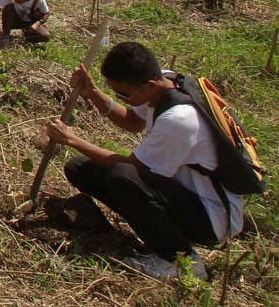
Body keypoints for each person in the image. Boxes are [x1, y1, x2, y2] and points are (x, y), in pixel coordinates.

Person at [46, 41, 247, 280]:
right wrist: (93, 93)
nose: (120, 97)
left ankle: (178, 258)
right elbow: (133, 122)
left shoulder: (178, 119)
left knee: (124, 177)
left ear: (150, 85)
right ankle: (155, 228)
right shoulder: (163, 83)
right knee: (80, 168)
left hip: (210, 217)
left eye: (123, 94)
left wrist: (72, 140)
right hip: (183, 195)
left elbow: (132, 167)